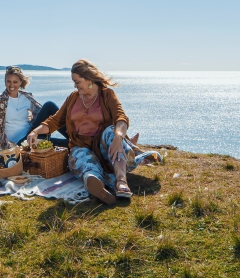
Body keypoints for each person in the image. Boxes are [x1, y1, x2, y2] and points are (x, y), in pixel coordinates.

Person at [26, 59, 160, 205]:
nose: (75, 86)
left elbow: (121, 118)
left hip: (104, 147)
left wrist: (118, 137)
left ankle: (121, 182)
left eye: (77, 82)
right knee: (79, 155)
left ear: (89, 79)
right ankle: (95, 183)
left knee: (111, 131)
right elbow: (54, 121)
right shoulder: (73, 98)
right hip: (81, 146)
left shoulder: (107, 95)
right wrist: (35, 132)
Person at [0, 66, 62, 147]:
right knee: (64, 143)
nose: (11, 85)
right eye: (8, 81)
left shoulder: (27, 97)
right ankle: (73, 142)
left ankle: (72, 135)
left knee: (49, 105)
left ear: (20, 82)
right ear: (5, 81)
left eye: (15, 82)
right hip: (16, 143)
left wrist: (33, 120)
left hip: (32, 134)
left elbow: (41, 114)